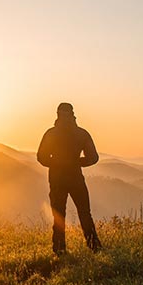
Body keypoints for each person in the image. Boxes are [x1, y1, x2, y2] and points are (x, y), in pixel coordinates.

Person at [37, 102, 102, 254]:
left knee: (59, 215)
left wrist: (57, 163)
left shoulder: (51, 133)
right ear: (73, 114)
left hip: (56, 178)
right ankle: (94, 247)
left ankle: (59, 249)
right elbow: (93, 158)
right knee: (85, 213)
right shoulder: (81, 133)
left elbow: (41, 157)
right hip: (76, 178)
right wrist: (76, 162)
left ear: (57, 114)